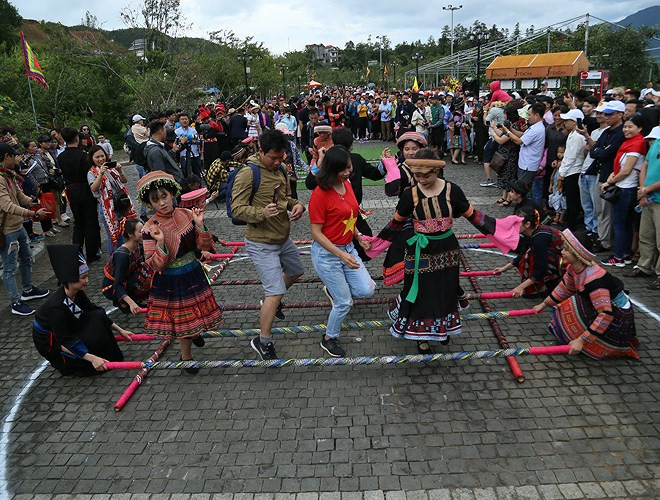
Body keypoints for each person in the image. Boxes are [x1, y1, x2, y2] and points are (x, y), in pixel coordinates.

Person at [370, 151, 486, 353]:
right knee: (421, 291)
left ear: (438, 171)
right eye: (417, 176)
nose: (421, 180)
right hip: (420, 250)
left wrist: (501, 230)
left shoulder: (452, 190)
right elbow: (396, 223)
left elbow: (473, 216)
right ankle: (420, 337)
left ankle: (443, 328)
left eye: (427, 175)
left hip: (447, 250)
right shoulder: (410, 194)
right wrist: (375, 243)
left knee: (445, 288)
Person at [230, 129, 306, 360]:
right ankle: (263, 341)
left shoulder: (281, 168)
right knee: (275, 291)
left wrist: (298, 205)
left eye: (281, 157)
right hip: (261, 242)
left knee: (296, 271)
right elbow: (236, 209)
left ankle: (270, 303)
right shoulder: (248, 173)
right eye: (273, 157)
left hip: (283, 237)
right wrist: (261, 212)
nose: (277, 162)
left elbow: (286, 198)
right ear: (260, 151)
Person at [138, 171, 222, 374]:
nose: (162, 203)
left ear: (173, 193)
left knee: (194, 313)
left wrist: (200, 224)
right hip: (171, 279)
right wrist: (160, 242)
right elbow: (155, 265)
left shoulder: (186, 214)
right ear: (149, 203)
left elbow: (203, 245)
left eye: (164, 196)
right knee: (184, 320)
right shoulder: (149, 228)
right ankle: (186, 356)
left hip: (192, 270)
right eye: (155, 200)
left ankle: (194, 335)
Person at [309, 146, 376, 357]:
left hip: (348, 249)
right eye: (343, 169)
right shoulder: (320, 195)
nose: (348, 172)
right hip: (328, 255)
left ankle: (334, 289)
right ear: (331, 170)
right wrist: (340, 255)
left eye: (349, 167)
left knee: (367, 290)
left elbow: (350, 216)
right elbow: (316, 233)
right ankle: (329, 338)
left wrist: (358, 237)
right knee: (344, 302)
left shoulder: (346, 185)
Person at [533, 229, 639, 359]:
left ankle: (594, 343)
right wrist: (543, 305)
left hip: (618, 314)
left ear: (577, 254)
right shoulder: (574, 267)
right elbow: (565, 288)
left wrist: (581, 340)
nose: (562, 252)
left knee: (571, 305)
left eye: (566, 249)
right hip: (605, 308)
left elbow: (606, 314)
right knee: (571, 303)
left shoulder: (594, 280)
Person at [33, 245, 132, 375]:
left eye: (87, 276)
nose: (87, 281)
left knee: (97, 315)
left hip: (70, 328)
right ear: (71, 279)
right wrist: (92, 358)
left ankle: (104, 354)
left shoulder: (77, 292)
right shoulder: (56, 308)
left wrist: (121, 330)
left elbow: (94, 310)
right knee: (86, 358)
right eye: (83, 277)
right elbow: (65, 340)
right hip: (53, 343)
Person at [0, 143, 51, 315]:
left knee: (26, 258)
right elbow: (7, 205)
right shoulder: (0, 178)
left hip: (17, 225)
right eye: (14, 156)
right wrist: (33, 214)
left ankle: (28, 290)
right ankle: (15, 302)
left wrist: (30, 201)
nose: (17, 159)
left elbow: (17, 195)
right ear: (6, 156)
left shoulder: (8, 175)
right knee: (9, 268)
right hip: (7, 230)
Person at [600, 115, 647, 267]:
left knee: (619, 224)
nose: (626, 129)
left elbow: (626, 171)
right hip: (624, 186)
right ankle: (625, 254)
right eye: (625, 126)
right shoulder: (629, 143)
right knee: (625, 224)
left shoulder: (637, 144)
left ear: (639, 129)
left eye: (630, 127)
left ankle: (619, 256)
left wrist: (609, 181)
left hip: (627, 188)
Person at [494, 208, 564, 298]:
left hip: (565, 262)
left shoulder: (539, 238)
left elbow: (541, 268)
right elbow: (522, 253)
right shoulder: (531, 233)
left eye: (516, 223)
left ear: (527, 224)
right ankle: (541, 285)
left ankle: (544, 287)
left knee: (531, 257)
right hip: (557, 257)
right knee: (529, 255)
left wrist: (520, 287)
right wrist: (503, 268)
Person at [57, 127, 102, 262]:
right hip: (85, 189)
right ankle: (92, 253)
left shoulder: (60, 157)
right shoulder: (83, 155)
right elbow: (89, 173)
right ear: (76, 138)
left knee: (78, 223)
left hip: (71, 190)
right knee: (90, 222)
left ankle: (76, 253)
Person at [588, 100, 626, 253]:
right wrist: (600, 151)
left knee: (606, 211)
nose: (605, 117)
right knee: (599, 210)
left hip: (610, 176)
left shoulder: (621, 132)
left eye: (609, 114)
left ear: (620, 115)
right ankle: (601, 236)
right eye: (605, 114)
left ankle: (604, 241)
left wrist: (600, 151)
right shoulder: (606, 131)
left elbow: (604, 153)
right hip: (600, 173)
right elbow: (594, 151)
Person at [87, 145, 136, 255]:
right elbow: (94, 188)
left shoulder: (112, 169)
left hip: (121, 204)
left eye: (102, 156)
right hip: (108, 209)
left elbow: (124, 181)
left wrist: (120, 170)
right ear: (92, 159)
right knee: (114, 236)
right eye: (97, 157)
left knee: (125, 233)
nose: (100, 159)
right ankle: (114, 261)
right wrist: (100, 174)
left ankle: (126, 255)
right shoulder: (91, 173)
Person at [102, 218, 152, 313]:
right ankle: (124, 300)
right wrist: (131, 303)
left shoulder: (139, 245)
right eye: (141, 231)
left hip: (129, 278)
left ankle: (135, 296)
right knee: (143, 276)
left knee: (147, 270)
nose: (144, 233)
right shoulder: (122, 256)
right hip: (112, 287)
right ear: (130, 235)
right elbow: (117, 284)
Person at [630, 126, 660, 289]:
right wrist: (643, 190)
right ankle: (644, 266)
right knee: (646, 235)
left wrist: (646, 190)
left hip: (656, 197)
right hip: (648, 198)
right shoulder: (656, 143)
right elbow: (645, 166)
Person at [578, 110, 609, 240]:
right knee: (586, 205)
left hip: (594, 172)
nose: (599, 116)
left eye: (603, 114)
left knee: (596, 206)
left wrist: (587, 136)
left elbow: (597, 149)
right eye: (598, 113)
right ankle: (588, 228)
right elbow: (590, 150)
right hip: (584, 169)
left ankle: (596, 231)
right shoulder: (595, 131)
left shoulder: (608, 132)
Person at [556, 109, 587, 231]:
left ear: (574, 122)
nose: (565, 123)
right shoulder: (572, 134)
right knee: (570, 199)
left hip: (574, 171)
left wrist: (561, 173)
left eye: (567, 120)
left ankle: (571, 225)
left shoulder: (577, 136)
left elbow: (571, 156)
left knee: (572, 200)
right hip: (570, 170)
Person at [502, 103, 546, 185]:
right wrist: (511, 129)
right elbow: (523, 135)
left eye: (529, 115)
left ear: (536, 115)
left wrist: (507, 131)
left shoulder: (536, 129)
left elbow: (519, 141)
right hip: (525, 163)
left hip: (528, 165)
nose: (528, 117)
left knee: (522, 189)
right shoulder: (534, 126)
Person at [491, 106, 524, 206]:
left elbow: (501, 140)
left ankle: (508, 199)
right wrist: (494, 128)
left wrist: (493, 133)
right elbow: (502, 134)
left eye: (504, 113)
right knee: (504, 176)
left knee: (509, 177)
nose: (503, 115)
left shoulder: (514, 127)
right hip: (505, 155)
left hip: (510, 156)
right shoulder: (510, 125)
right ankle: (504, 197)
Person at [175, 113, 202, 178]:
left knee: (197, 172)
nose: (184, 121)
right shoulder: (177, 131)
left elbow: (198, 141)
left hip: (194, 154)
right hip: (184, 154)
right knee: (186, 173)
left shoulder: (193, 130)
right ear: (179, 121)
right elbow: (176, 143)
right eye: (182, 119)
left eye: (186, 119)